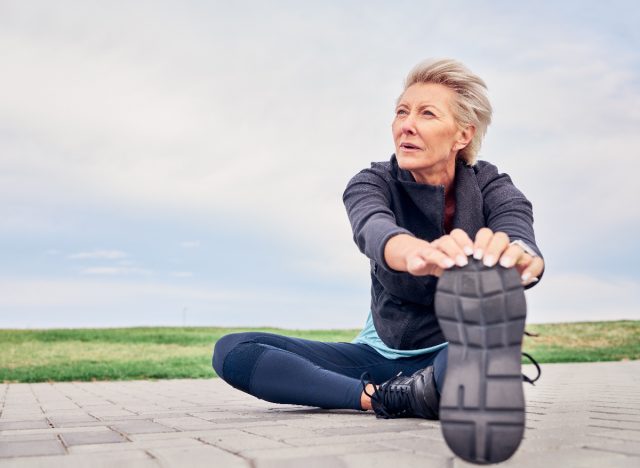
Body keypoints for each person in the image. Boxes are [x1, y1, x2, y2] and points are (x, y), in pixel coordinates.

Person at [212, 58, 544, 464]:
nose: (406, 124)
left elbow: (517, 229)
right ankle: (386, 398)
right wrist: (417, 253)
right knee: (234, 349)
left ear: (462, 134)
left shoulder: (491, 185)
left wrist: (519, 260)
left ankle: (461, 377)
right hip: (378, 358)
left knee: (473, 354)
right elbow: (374, 229)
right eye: (401, 111)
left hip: (451, 352)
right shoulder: (372, 182)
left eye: (426, 113)